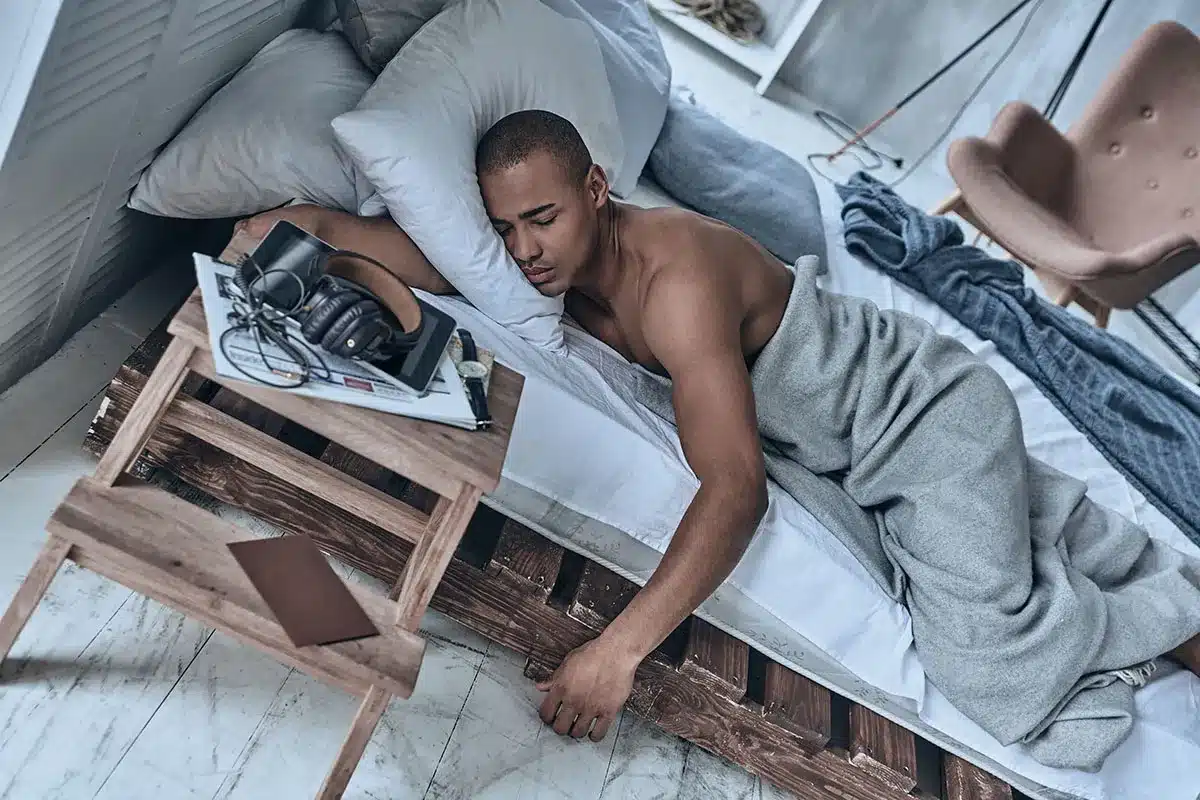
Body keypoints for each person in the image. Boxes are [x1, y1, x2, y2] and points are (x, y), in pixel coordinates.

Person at [236, 110, 1200, 760]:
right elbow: (399, 248)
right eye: (506, 228)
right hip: (853, 444)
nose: (524, 250)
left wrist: (616, 654)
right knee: (1017, 547)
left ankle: (1170, 618)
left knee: (995, 680)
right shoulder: (538, 262)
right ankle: (1105, 564)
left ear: (597, 187)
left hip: (926, 418)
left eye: (542, 218)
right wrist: (281, 230)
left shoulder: (678, 285)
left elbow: (736, 488)